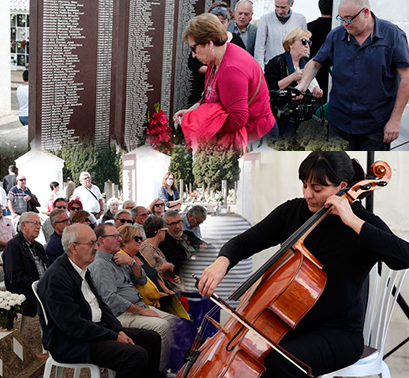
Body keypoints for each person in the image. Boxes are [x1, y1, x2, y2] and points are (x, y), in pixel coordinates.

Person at [197, 151, 409, 378]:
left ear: (342, 186)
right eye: (305, 185)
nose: (308, 194)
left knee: (278, 362)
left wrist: (353, 221)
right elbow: (246, 241)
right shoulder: (293, 211)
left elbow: (403, 257)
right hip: (287, 327)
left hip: (338, 334)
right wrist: (222, 261)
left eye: (317, 189)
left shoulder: (361, 223)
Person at [37, 223, 162, 378]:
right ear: (74, 247)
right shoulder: (57, 278)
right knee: (136, 355)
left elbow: (101, 305)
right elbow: (73, 325)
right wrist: (114, 336)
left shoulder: (81, 267)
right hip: (71, 342)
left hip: (93, 330)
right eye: (91, 244)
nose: (96, 248)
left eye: (95, 243)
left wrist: (118, 330)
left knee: (151, 339)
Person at [297, 0, 409, 150]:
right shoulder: (336, 36)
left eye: (349, 18)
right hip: (340, 123)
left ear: (365, 12)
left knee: (368, 171)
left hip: (375, 126)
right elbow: (315, 63)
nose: (344, 23)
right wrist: (303, 85)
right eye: (341, 18)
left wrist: (395, 120)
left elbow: (406, 77)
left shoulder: (393, 35)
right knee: (338, 170)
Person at [175, 13, 275, 151]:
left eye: (194, 48)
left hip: (255, 137)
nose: (194, 55)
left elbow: (237, 120)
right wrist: (191, 111)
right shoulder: (216, 59)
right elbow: (210, 95)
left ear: (209, 43)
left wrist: (198, 122)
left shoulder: (231, 69)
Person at [89, 222, 176, 368]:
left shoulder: (118, 257)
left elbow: (141, 280)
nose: (119, 239)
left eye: (120, 236)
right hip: (121, 314)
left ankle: (170, 365)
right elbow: (110, 300)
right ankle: (160, 371)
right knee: (163, 327)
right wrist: (143, 311)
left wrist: (132, 263)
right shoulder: (100, 265)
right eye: (115, 236)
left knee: (178, 323)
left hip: (138, 307)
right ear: (102, 240)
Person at [265, 27, 323, 136]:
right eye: (304, 41)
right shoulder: (276, 62)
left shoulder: (307, 64)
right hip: (282, 115)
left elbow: (311, 90)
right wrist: (292, 77)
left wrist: (316, 93)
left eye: (309, 43)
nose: (307, 46)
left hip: (303, 116)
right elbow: (268, 88)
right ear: (291, 44)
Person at [2, 212, 49, 315]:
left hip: (45, 287)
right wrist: (39, 284)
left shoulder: (38, 246)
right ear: (23, 225)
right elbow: (15, 277)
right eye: (35, 223)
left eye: (39, 224)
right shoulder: (13, 246)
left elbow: (48, 268)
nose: (38, 227)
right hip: (27, 291)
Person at [254, 0, 307, 69]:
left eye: (283, 7)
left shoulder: (300, 19)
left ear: (291, 3)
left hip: (293, 67)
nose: (279, 11)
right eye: (276, 7)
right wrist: (261, 70)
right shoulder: (265, 19)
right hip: (271, 67)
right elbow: (260, 47)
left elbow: (304, 44)